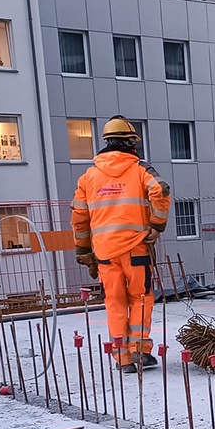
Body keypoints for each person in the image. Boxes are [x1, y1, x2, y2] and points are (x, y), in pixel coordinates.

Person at [71, 116, 171, 373]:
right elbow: (161, 190)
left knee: (114, 301)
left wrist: (83, 250)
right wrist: (156, 225)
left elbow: (79, 218)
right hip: (136, 248)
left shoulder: (88, 177)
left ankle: (122, 359)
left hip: (105, 252)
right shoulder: (140, 169)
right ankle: (139, 351)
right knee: (140, 297)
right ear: (129, 143)